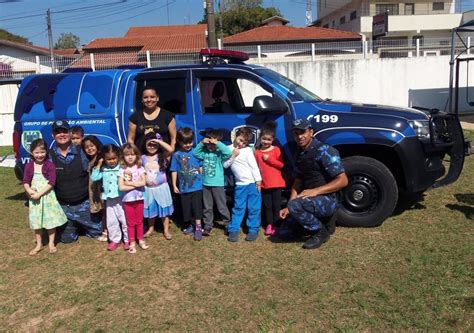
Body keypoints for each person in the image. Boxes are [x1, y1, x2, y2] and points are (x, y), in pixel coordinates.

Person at [279, 119, 349, 250]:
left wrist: (315, 191)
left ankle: (321, 232)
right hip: (309, 200)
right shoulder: (299, 153)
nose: (300, 137)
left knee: (295, 205)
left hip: (329, 200)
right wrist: (289, 207)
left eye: (303, 132)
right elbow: (298, 180)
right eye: (296, 133)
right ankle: (311, 225)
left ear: (311, 132)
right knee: (284, 233)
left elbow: (343, 180)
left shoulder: (325, 151)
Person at [49, 120, 103, 243]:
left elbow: (99, 159)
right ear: (53, 135)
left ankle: (84, 224)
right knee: (67, 240)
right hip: (64, 208)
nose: (61, 134)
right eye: (57, 132)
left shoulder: (82, 151)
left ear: (69, 133)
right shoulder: (50, 155)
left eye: (64, 131)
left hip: (83, 205)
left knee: (98, 233)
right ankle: (74, 226)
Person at [23, 139, 67, 255]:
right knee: (36, 221)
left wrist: (39, 194)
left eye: (42, 152)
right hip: (34, 199)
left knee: (50, 220)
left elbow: (51, 182)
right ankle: (39, 244)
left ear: (46, 152)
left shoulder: (49, 165)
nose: (39, 155)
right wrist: (29, 191)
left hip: (47, 197)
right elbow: (26, 181)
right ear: (32, 153)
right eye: (36, 152)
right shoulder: (29, 166)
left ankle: (51, 243)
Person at [223, 127, 262, 242]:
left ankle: (253, 230)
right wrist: (233, 156)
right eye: (240, 140)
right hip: (240, 185)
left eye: (245, 142)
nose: (242, 144)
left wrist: (258, 181)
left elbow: (253, 166)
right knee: (238, 207)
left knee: (254, 208)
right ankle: (234, 229)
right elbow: (225, 165)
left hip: (252, 184)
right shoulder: (228, 149)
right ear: (235, 137)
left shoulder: (247, 150)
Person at [192, 129, 232, 236]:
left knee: (222, 206)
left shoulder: (219, 154)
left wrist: (217, 142)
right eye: (208, 144)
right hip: (206, 184)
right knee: (207, 207)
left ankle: (228, 224)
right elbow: (195, 153)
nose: (210, 146)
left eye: (212, 144)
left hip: (218, 184)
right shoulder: (204, 153)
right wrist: (201, 143)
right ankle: (208, 226)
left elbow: (228, 152)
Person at [91, 144, 129, 251]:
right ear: (104, 159)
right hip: (109, 200)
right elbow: (94, 177)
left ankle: (127, 239)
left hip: (121, 198)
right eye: (108, 159)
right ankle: (115, 240)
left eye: (114, 158)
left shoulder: (122, 169)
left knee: (124, 219)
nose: (111, 161)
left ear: (118, 157)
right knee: (111, 221)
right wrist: (98, 165)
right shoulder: (103, 170)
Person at [170, 127, 203, 241]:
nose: (188, 145)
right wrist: (174, 185)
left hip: (197, 186)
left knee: (197, 208)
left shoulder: (196, 152)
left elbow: (202, 164)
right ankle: (191, 224)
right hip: (184, 188)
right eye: (185, 143)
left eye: (190, 142)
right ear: (179, 142)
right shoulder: (176, 155)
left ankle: (198, 227)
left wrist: (201, 170)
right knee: (187, 209)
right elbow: (173, 170)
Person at [255, 121, 286, 237]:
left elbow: (281, 165)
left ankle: (277, 225)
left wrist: (269, 160)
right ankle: (269, 225)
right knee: (267, 206)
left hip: (276, 183)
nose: (266, 142)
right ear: (260, 139)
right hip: (264, 184)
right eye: (264, 139)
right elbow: (256, 168)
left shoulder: (276, 150)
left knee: (276, 205)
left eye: (269, 140)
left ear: (273, 140)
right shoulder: (257, 152)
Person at [142, 130, 174, 239]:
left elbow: (170, 149)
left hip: (162, 189)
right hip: (148, 190)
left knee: (164, 210)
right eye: (149, 144)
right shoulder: (142, 158)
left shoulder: (162, 156)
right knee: (151, 210)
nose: (151, 147)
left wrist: (158, 140)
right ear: (145, 144)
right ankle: (150, 228)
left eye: (154, 145)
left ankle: (166, 230)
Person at [118, 143, 149, 254]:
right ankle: (132, 242)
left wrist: (129, 183)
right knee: (130, 223)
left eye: (132, 154)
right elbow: (121, 187)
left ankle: (140, 239)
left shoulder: (140, 168)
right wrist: (137, 184)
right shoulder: (122, 170)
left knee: (139, 221)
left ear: (137, 155)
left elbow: (144, 182)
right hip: (128, 201)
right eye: (127, 155)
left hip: (139, 199)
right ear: (123, 157)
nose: (130, 157)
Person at [127, 87, 177, 152]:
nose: (149, 100)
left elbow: (173, 138)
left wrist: (169, 154)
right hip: (142, 158)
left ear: (157, 98)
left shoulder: (167, 116)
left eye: (152, 97)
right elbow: (130, 139)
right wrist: (135, 156)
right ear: (142, 99)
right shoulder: (135, 117)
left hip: (162, 157)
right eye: (145, 97)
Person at [81, 135, 107, 242]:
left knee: (106, 212)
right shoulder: (89, 160)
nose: (90, 149)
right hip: (95, 191)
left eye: (92, 145)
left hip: (103, 190)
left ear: (97, 145)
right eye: (86, 147)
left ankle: (107, 232)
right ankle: (105, 230)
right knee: (103, 212)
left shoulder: (102, 158)